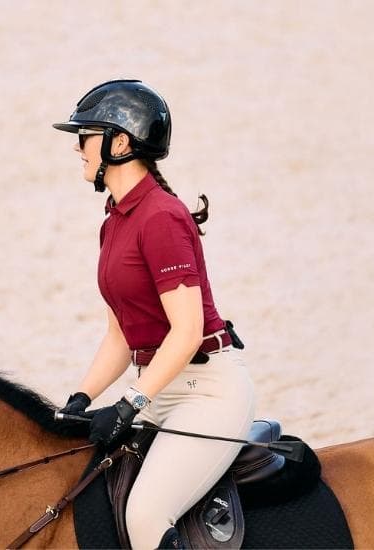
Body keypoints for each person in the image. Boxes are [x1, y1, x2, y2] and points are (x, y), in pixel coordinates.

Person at [52, 79, 256, 549]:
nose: (78, 147)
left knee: (145, 517)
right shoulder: (114, 222)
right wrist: (80, 399)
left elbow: (185, 333)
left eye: (86, 135)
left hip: (207, 394)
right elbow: (121, 337)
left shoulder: (161, 218)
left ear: (120, 143)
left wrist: (129, 405)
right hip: (160, 390)